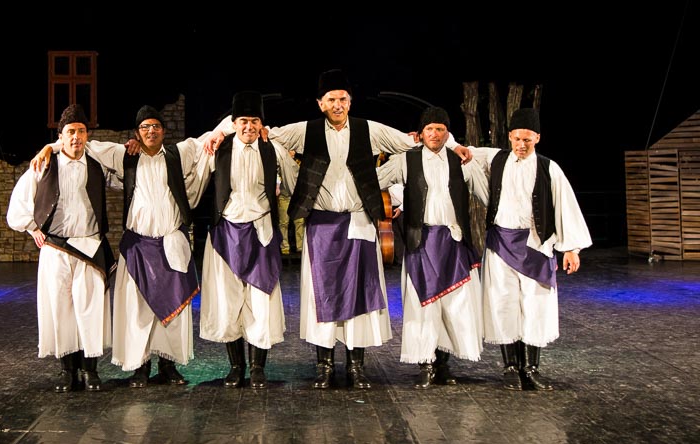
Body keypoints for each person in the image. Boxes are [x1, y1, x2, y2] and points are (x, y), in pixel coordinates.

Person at [207, 70, 471, 390]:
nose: (337, 104)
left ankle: (357, 367)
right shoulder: (305, 130)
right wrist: (220, 131)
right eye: (331, 99)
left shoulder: (368, 129)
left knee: (361, 294)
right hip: (322, 225)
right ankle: (325, 366)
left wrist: (454, 144)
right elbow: (261, 131)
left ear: (350, 101)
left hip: (359, 221)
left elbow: (414, 140)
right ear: (320, 103)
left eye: (342, 99)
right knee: (323, 297)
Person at [32, 105, 217, 388]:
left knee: (174, 313)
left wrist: (231, 129)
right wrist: (50, 147)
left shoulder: (179, 153)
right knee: (137, 311)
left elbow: (211, 138)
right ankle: (140, 367)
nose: (151, 131)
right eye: (145, 127)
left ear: (163, 131)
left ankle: (168, 366)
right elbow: (81, 144)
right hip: (139, 246)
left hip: (171, 243)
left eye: (156, 126)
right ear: (137, 133)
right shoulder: (124, 155)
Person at [462, 107, 592, 390]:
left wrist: (571, 249)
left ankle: (531, 368)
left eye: (528, 140)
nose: (521, 145)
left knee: (535, 306)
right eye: (518, 139)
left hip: (535, 245)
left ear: (537, 138)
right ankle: (510, 368)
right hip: (500, 245)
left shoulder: (549, 168)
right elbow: (465, 152)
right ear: (510, 136)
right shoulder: (496, 158)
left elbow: (565, 205)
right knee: (503, 303)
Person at [7, 104, 114, 393]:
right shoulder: (44, 165)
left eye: (81, 131)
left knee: (90, 309)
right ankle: (68, 370)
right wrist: (32, 227)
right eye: (70, 132)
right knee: (61, 308)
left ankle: (90, 370)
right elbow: (18, 203)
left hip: (89, 245)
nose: (76, 137)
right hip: (57, 247)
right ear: (61, 136)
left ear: (87, 134)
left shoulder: (97, 163)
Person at [377, 106, 487, 388]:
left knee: (453, 305)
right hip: (421, 242)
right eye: (430, 129)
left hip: (453, 242)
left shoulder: (461, 160)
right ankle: (425, 363)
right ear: (421, 133)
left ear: (447, 133)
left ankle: (442, 364)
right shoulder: (407, 160)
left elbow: (485, 192)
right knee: (422, 305)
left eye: (440, 129)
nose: (435, 134)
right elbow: (375, 180)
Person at [199, 91, 299, 389]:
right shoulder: (219, 148)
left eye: (255, 121)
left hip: (261, 231)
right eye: (243, 120)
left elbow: (293, 181)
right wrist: (217, 132)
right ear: (233, 123)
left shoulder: (272, 149)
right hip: (226, 232)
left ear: (261, 124)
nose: (249, 126)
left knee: (261, 301)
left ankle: (257, 367)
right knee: (228, 300)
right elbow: (194, 173)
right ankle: (235, 366)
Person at [277, 167, 304, 256]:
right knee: (284, 223)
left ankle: (300, 246)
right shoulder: (282, 160)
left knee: (299, 222)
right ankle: (284, 246)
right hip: (284, 195)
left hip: (298, 196)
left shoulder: (300, 161)